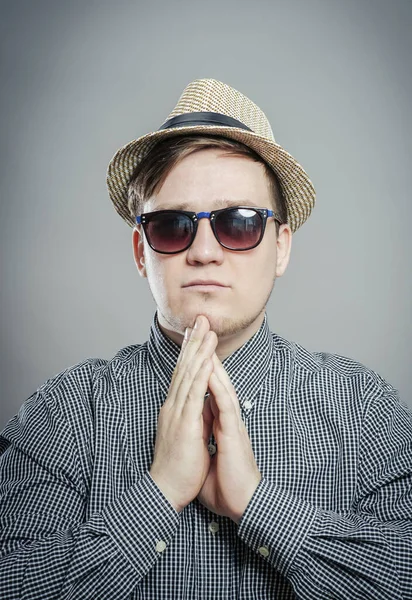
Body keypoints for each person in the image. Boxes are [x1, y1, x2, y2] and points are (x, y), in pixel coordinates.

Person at [1, 78, 411, 600]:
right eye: (172, 226)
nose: (204, 252)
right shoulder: (61, 414)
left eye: (238, 224)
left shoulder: (364, 409)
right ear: (140, 251)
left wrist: (259, 504)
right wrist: (158, 495)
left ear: (281, 247)